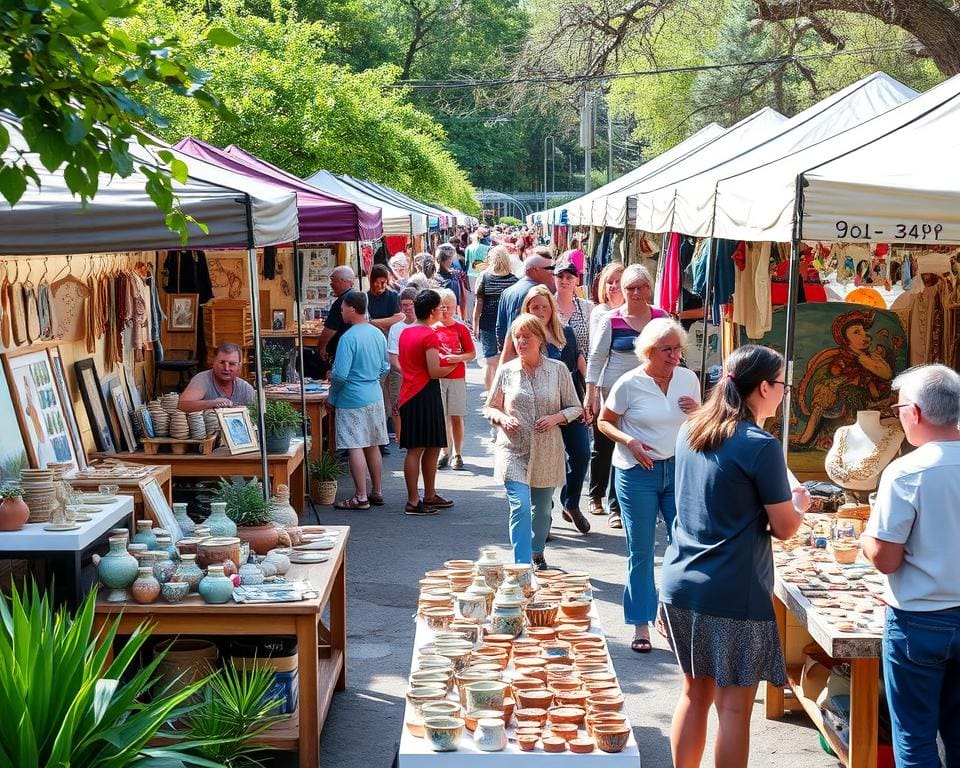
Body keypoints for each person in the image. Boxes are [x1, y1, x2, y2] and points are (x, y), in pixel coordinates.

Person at [658, 344, 810, 768]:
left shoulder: (691, 430)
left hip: (681, 581)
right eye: (782, 384)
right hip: (732, 591)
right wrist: (797, 505)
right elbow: (784, 527)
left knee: (694, 694)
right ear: (763, 387)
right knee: (733, 709)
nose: (784, 391)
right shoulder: (759, 445)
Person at [861, 364, 960, 768]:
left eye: (900, 407)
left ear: (914, 412)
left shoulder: (907, 471)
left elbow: (886, 558)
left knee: (915, 739)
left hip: (920, 620)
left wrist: (866, 540)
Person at [597, 318, 700, 652]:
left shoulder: (688, 378)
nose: (673, 356)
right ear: (648, 351)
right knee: (640, 551)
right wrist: (630, 441)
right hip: (636, 471)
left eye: (677, 349)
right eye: (666, 350)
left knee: (682, 547)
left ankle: (673, 618)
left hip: (678, 470)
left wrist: (699, 413)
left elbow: (699, 425)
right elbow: (603, 422)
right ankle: (641, 624)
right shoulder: (629, 383)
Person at [484, 314, 583, 569]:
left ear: (540, 339)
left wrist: (555, 418)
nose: (520, 342)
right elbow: (489, 407)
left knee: (541, 510)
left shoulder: (558, 370)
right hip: (513, 449)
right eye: (516, 337)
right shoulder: (507, 371)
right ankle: (521, 565)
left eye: (526, 337)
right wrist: (503, 419)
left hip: (547, 449)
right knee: (520, 505)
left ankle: (537, 551)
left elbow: (576, 407)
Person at [501, 286, 591, 535]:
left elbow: (580, 362)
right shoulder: (521, 334)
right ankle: (543, 515)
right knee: (540, 461)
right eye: (534, 307)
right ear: (527, 310)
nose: (540, 312)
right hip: (535, 407)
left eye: (544, 306)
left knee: (582, 454)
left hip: (569, 403)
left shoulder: (567, 333)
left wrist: (592, 397)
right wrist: (501, 409)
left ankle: (571, 502)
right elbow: (504, 368)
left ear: (552, 308)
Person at [585, 264, 666, 528]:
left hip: (649, 392)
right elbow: (596, 358)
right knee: (614, 446)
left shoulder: (660, 317)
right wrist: (591, 393)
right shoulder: (612, 320)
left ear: (649, 289)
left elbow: (673, 351)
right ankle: (610, 503)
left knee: (640, 446)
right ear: (623, 290)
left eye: (641, 287)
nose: (636, 293)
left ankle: (629, 503)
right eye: (631, 288)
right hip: (615, 391)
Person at [397, 289, 457, 515]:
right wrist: (453, 364)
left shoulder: (406, 332)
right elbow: (434, 370)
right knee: (418, 448)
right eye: (441, 307)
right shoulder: (429, 335)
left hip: (410, 391)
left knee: (429, 446)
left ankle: (428, 495)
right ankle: (414, 500)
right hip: (424, 392)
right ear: (432, 311)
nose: (443, 310)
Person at [328, 292, 390, 509]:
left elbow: (340, 375)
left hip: (351, 397)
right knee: (372, 444)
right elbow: (385, 366)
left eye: (343, 308)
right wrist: (374, 380)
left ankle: (361, 496)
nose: (341, 311)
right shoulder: (377, 333)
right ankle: (377, 490)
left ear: (353, 309)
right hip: (374, 394)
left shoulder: (348, 338)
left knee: (355, 445)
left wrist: (332, 396)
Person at [433, 288, 476, 471]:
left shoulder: (460, 328)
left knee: (456, 416)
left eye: (449, 307)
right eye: (442, 307)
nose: (445, 311)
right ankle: (445, 451)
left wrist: (457, 358)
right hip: (438, 377)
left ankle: (457, 453)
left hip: (457, 378)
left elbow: (471, 353)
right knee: (441, 417)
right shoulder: (432, 329)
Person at [473, 245, 519, 393]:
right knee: (509, 359)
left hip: (487, 323)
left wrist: (475, 324)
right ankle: (505, 392)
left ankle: (489, 392)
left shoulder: (484, 277)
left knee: (489, 360)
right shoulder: (514, 280)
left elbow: (478, 303)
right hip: (508, 324)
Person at [495, 249, 556, 352]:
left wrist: (505, 351)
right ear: (535, 270)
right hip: (530, 353)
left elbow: (500, 328)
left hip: (513, 350)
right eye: (549, 268)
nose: (552, 272)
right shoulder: (537, 294)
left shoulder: (508, 291)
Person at [179, 342, 256, 412]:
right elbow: (182, 405)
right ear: (213, 362)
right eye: (222, 362)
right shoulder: (202, 380)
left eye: (232, 364)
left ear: (238, 366)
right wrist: (212, 403)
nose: (226, 368)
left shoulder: (244, 387)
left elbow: (258, 411)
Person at [387, 287, 418, 445]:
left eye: (410, 304)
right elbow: (393, 357)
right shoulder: (396, 328)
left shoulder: (422, 325)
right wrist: (404, 371)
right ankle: (400, 437)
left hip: (419, 372)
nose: (407, 308)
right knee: (397, 405)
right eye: (404, 305)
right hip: (400, 371)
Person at [553, 261, 593, 362]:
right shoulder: (547, 307)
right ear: (554, 278)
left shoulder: (588, 308)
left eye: (569, 277)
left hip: (582, 371)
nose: (564, 280)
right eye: (560, 276)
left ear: (577, 280)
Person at [316, 266, 356, 363]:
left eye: (333, 280)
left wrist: (321, 347)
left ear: (343, 281)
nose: (331, 284)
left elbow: (329, 330)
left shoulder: (342, 302)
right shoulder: (358, 296)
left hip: (340, 350)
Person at [366, 264, 403, 334]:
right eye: (376, 283)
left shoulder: (393, 296)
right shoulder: (365, 298)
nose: (380, 286)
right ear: (371, 282)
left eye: (383, 282)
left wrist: (370, 322)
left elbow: (399, 317)